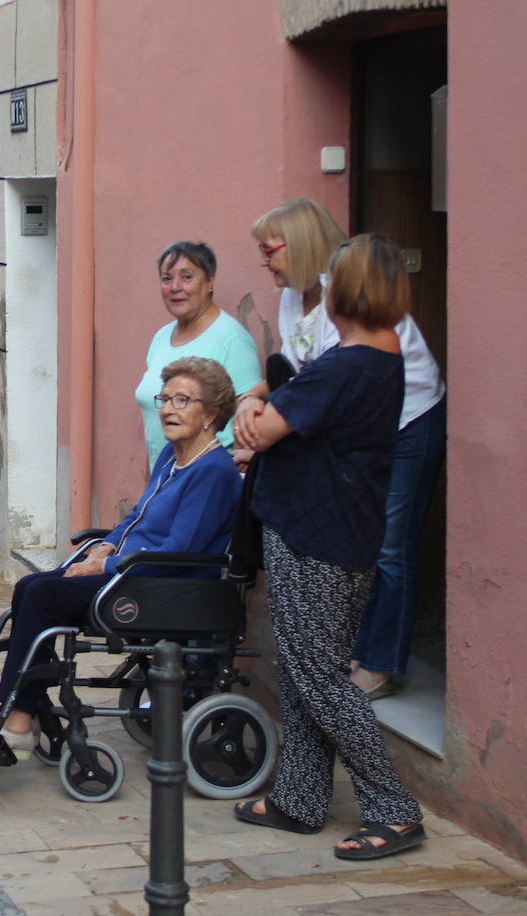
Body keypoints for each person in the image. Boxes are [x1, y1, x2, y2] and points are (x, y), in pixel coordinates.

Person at [232, 233, 425, 861]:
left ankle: (393, 810)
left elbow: (263, 431)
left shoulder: (346, 367)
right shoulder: (382, 357)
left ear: (346, 290)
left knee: (318, 675)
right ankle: (301, 797)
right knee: (303, 668)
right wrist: (267, 394)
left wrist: (252, 398)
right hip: (340, 530)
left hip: (317, 536)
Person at [0, 356, 242, 755]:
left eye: (182, 400)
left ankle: (17, 720)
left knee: (43, 596)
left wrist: (103, 565)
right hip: (134, 574)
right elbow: (138, 515)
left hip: (166, 588)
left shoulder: (213, 472)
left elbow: (179, 551)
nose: (168, 409)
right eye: (165, 398)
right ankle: (25, 711)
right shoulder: (174, 457)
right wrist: (108, 542)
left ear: (211, 414)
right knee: (29, 586)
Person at [237, 199, 447, 701]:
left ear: (301, 244)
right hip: (348, 427)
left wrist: (263, 425)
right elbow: (291, 372)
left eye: (269, 250)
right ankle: (348, 654)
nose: (263, 261)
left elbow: (321, 383)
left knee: (391, 545)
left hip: (408, 420)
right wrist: (251, 396)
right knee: (366, 541)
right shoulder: (293, 296)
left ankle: (379, 663)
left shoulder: (344, 295)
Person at [133, 241, 261, 465]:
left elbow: (247, 423)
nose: (175, 287)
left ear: (210, 281)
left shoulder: (231, 339)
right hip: (166, 478)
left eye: (187, 277)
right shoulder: (161, 337)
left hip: (205, 479)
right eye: (166, 278)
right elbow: (154, 423)